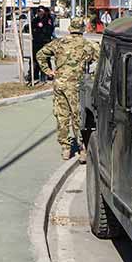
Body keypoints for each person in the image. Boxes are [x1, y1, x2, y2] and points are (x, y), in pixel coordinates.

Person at [36, 18, 99, 162]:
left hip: (60, 84)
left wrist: (48, 71)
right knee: (78, 117)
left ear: (70, 28)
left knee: (62, 116)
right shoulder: (88, 45)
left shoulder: (59, 42)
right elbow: (103, 60)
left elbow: (40, 54)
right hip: (77, 86)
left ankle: (65, 148)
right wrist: (93, 76)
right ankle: (82, 149)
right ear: (83, 29)